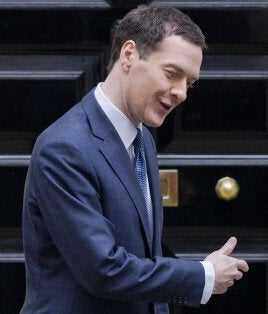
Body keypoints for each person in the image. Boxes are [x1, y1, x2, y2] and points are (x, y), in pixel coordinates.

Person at [21, 5, 249, 313]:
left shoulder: (142, 138)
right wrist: (203, 276)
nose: (181, 92)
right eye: (172, 74)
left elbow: (144, 257)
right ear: (129, 54)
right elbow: (103, 270)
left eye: (189, 83)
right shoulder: (64, 147)